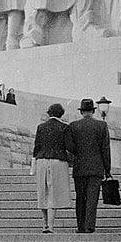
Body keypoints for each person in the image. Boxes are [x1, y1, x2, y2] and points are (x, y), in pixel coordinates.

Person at [64, 98, 111, 233]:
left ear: (81, 112)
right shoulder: (101, 126)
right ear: (93, 111)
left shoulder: (73, 126)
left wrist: (77, 153)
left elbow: (70, 146)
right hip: (96, 168)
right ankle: (89, 226)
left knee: (81, 198)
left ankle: (80, 226)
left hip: (80, 168)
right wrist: (107, 169)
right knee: (92, 198)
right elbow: (105, 149)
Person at [31, 103, 72, 233]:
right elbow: (69, 146)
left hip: (42, 160)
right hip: (58, 161)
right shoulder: (65, 127)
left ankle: (44, 223)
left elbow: (37, 146)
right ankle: (51, 225)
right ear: (61, 113)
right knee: (53, 194)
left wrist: (34, 164)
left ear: (49, 113)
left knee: (43, 192)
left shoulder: (41, 127)